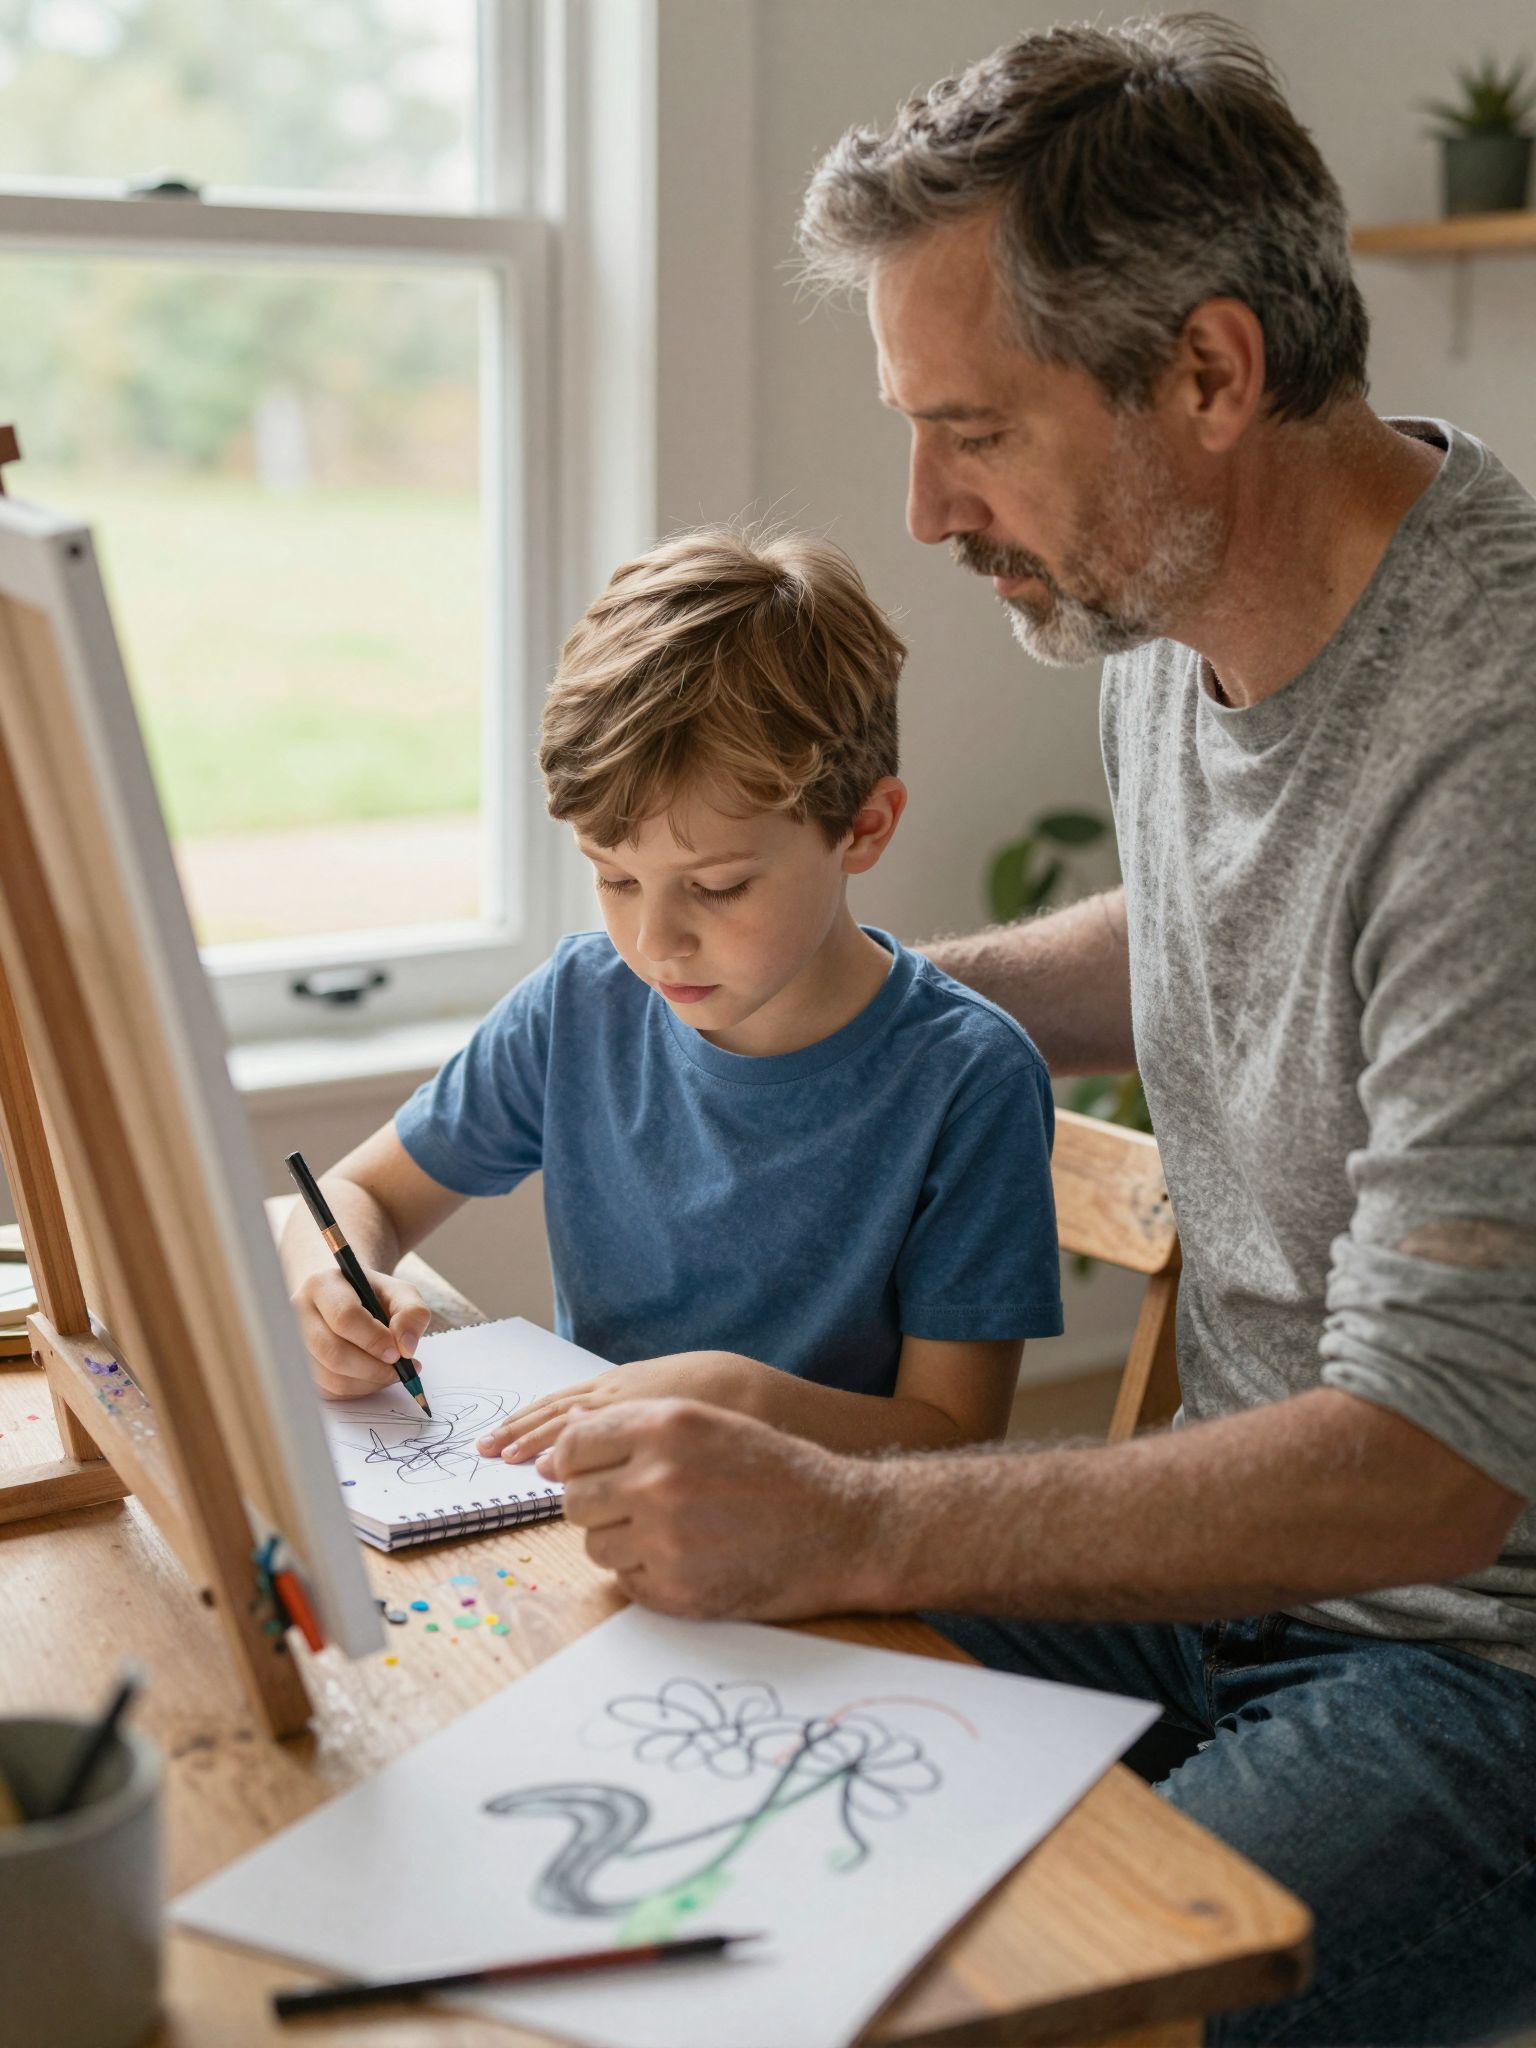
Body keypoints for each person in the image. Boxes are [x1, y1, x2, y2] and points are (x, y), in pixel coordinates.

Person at [537, 17, 1536, 2045]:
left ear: (1211, 372)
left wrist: (857, 1514)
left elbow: (1433, 1472)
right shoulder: (1176, 613)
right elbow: (1203, 938)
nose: (919, 505)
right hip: (1221, 1572)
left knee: (989, 2005)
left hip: (1473, 1665)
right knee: (629, 1692)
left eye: (972, 427)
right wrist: (864, 1003)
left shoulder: (1497, 733)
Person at [282, 526, 1063, 1459]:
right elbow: (361, 1191)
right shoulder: (580, 1005)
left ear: (862, 828)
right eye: (614, 878)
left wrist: (742, 1398)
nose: (654, 943)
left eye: (718, 886)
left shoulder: (966, 1081)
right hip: (602, 1532)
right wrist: (336, 1285)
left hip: (832, 1573)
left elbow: (955, 1442)